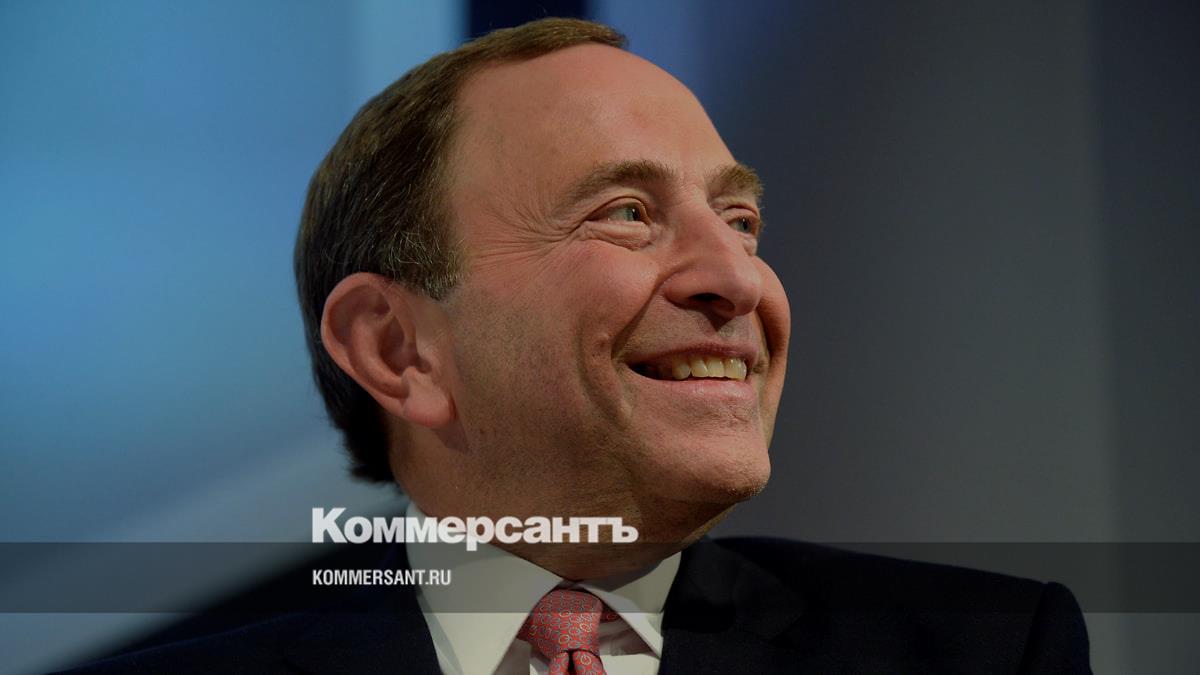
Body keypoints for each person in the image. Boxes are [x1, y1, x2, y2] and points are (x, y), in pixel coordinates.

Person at [67, 18, 1090, 674]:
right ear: (397, 349)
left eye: (740, 222)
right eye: (626, 213)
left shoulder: (982, 653)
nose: (739, 280)